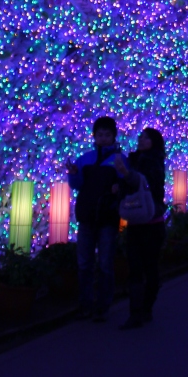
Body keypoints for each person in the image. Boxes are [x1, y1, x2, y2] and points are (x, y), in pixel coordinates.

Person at [67, 116, 123, 320]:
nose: (103, 138)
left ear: (113, 136)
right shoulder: (85, 159)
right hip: (87, 215)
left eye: (107, 134)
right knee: (84, 263)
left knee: (105, 263)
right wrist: (73, 174)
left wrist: (119, 188)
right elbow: (76, 185)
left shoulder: (119, 159)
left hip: (108, 217)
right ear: (94, 136)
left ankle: (103, 305)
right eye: (100, 134)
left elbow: (126, 182)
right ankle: (86, 303)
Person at [114, 127, 167, 327]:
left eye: (146, 138)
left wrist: (126, 175)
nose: (141, 140)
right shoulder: (134, 160)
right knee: (136, 267)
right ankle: (137, 312)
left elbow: (145, 183)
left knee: (149, 267)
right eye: (141, 137)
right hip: (136, 221)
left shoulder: (154, 162)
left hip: (152, 222)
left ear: (154, 142)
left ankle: (145, 308)